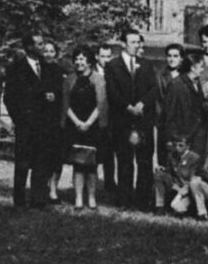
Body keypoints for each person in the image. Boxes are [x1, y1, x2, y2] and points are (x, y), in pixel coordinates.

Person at [3, 34, 63, 208]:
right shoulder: (16, 68)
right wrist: (19, 119)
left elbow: (56, 91)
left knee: (41, 163)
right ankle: (20, 200)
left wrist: (53, 97)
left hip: (44, 125)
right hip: (26, 125)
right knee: (22, 163)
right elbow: (10, 98)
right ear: (28, 47)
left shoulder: (48, 68)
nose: (42, 47)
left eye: (43, 43)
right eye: (38, 44)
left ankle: (39, 199)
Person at [105, 28, 158, 209]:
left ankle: (143, 201)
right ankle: (124, 199)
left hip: (143, 119)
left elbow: (153, 89)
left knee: (144, 161)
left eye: (138, 42)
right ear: (123, 44)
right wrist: (128, 107)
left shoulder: (147, 64)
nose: (137, 45)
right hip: (123, 119)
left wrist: (142, 104)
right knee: (125, 161)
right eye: (133, 42)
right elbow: (112, 92)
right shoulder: (113, 66)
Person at [62, 47, 107, 210]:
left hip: (93, 126)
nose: (79, 62)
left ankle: (92, 198)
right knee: (78, 164)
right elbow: (65, 105)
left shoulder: (98, 79)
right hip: (74, 126)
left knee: (92, 165)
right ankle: (79, 198)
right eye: (77, 59)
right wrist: (77, 122)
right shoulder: (69, 79)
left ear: (89, 61)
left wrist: (88, 123)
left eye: (82, 59)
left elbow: (101, 104)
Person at [164, 54, 208, 157]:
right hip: (182, 137)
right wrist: (171, 139)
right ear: (192, 68)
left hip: (195, 136)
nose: (203, 70)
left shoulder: (197, 82)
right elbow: (170, 113)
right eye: (201, 67)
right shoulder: (176, 85)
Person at [43, 41, 68, 203]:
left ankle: (53, 190)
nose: (48, 54)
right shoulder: (38, 70)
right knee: (42, 156)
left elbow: (65, 96)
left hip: (57, 120)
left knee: (56, 158)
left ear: (56, 54)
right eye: (45, 51)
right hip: (42, 120)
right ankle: (42, 187)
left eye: (52, 51)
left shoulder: (60, 72)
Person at [153, 134, 202, 215]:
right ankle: (160, 207)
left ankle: (190, 208)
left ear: (188, 146)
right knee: (159, 175)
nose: (177, 148)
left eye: (181, 145)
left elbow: (193, 179)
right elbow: (169, 172)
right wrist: (163, 169)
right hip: (175, 185)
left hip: (186, 189)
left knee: (178, 208)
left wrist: (183, 189)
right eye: (175, 145)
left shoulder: (194, 158)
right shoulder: (172, 155)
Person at [155, 44, 185, 166]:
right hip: (165, 122)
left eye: (176, 56)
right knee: (165, 158)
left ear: (181, 58)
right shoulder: (160, 75)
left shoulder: (187, 75)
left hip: (183, 123)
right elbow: (158, 101)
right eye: (169, 56)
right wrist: (162, 121)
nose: (172, 59)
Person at [95, 44, 117, 193]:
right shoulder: (91, 73)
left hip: (111, 119)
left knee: (110, 152)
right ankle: (91, 182)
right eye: (103, 56)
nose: (106, 60)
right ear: (97, 57)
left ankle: (109, 183)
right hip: (94, 119)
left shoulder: (114, 73)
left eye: (109, 56)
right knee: (93, 151)